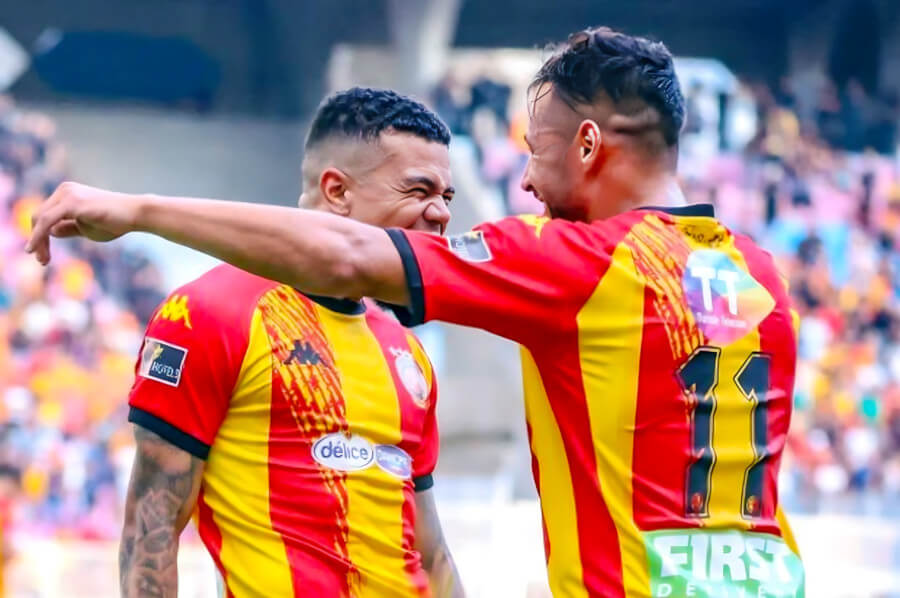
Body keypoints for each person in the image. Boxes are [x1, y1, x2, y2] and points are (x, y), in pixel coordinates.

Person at [28, 28, 805, 598]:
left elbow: (343, 256)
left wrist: (135, 208)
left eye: (535, 152)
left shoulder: (580, 266)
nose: (528, 187)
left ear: (590, 145)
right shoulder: (761, 280)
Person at [51, 88, 462, 598]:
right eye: (418, 190)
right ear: (336, 190)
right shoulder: (209, 313)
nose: (440, 214)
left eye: (446, 197)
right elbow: (150, 530)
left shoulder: (407, 350)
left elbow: (431, 550)